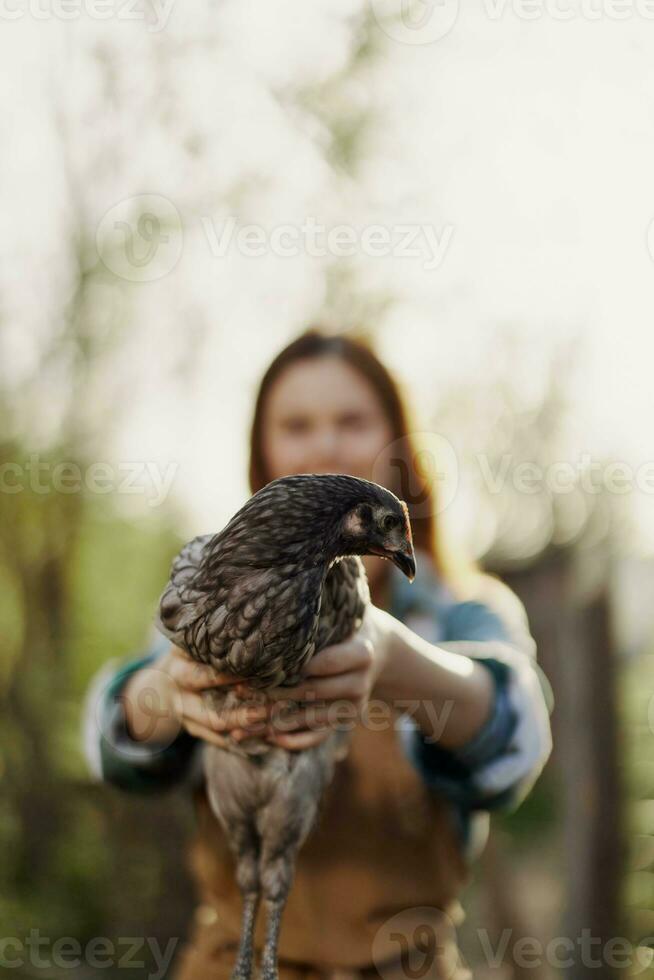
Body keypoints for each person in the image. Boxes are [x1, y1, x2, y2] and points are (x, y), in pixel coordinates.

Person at [84, 330, 553, 980]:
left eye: (353, 421)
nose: (326, 442)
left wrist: (391, 656)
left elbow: (517, 736)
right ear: (263, 451)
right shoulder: (211, 586)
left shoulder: (460, 608)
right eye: (297, 424)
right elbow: (112, 742)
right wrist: (165, 690)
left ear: (398, 443)